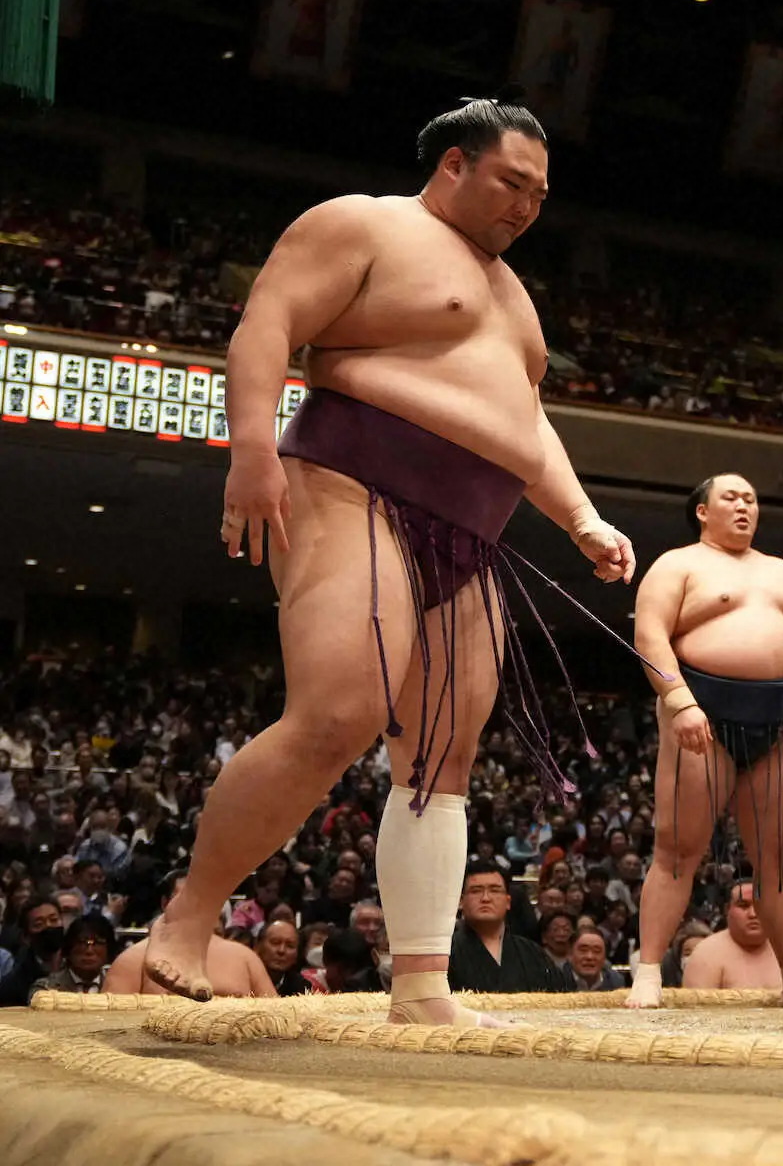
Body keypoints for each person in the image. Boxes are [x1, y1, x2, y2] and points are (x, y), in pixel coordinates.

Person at [143, 94, 635, 1028]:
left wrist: (581, 519)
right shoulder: (364, 224)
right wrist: (251, 451)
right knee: (337, 712)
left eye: (540, 193)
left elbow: (529, 426)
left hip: (473, 531)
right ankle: (187, 918)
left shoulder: (515, 297)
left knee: (443, 755)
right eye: (510, 183)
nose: (527, 206)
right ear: (453, 163)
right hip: (351, 482)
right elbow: (268, 322)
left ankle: (419, 982)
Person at [628, 475, 783, 1008]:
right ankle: (647, 973)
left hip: (776, 723)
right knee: (678, 850)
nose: (744, 506)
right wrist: (679, 700)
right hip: (702, 718)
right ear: (702, 512)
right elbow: (650, 635)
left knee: (777, 861)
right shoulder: (678, 564)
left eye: (751, 499)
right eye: (731, 498)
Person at [105, 872, 275, 998]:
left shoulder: (245, 958)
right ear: (165, 903)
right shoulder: (133, 960)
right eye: (185, 898)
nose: (195, 905)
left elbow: (277, 1020)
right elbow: (111, 1026)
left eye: (203, 898)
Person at [448, 861, 569, 994]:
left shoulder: (532, 953)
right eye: (476, 891)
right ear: (460, 902)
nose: (486, 898)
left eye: (494, 890)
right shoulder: (446, 952)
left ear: (508, 902)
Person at [683, 882, 783, 991]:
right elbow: (698, 1019)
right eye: (743, 906)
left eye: (760, 906)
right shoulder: (706, 954)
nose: (753, 914)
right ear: (727, 910)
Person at [28, 913, 117, 998]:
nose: (89, 950)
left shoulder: (120, 988)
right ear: (68, 948)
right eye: (81, 942)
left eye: (97, 942)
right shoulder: (45, 989)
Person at [0, 896, 64, 1005]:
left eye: (53, 920)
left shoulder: (80, 961)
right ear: (26, 937)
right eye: (39, 924)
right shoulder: (14, 983)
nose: (48, 926)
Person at [255, 919, 312, 996]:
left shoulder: (302, 988)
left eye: (290, 946)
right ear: (258, 947)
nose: (281, 950)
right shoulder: (241, 980)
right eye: (275, 942)